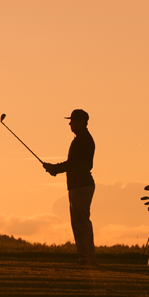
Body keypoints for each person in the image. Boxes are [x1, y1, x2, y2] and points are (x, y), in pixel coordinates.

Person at [43, 109, 97, 265]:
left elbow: (74, 164)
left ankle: (87, 257)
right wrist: (55, 169)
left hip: (81, 186)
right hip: (78, 185)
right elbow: (73, 164)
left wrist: (55, 169)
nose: (70, 123)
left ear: (81, 122)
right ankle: (85, 256)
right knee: (79, 223)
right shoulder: (81, 139)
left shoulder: (83, 140)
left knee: (81, 223)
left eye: (72, 121)